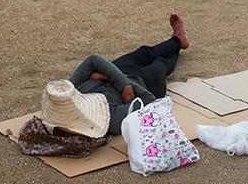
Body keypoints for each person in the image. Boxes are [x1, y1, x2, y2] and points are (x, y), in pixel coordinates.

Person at [41, 13, 190, 138]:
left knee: (145, 52)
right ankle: (179, 40)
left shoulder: (67, 91)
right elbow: (148, 101)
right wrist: (115, 81)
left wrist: (121, 83)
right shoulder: (108, 120)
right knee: (160, 63)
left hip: (118, 71)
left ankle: (177, 40)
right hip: (145, 83)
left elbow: (93, 60)